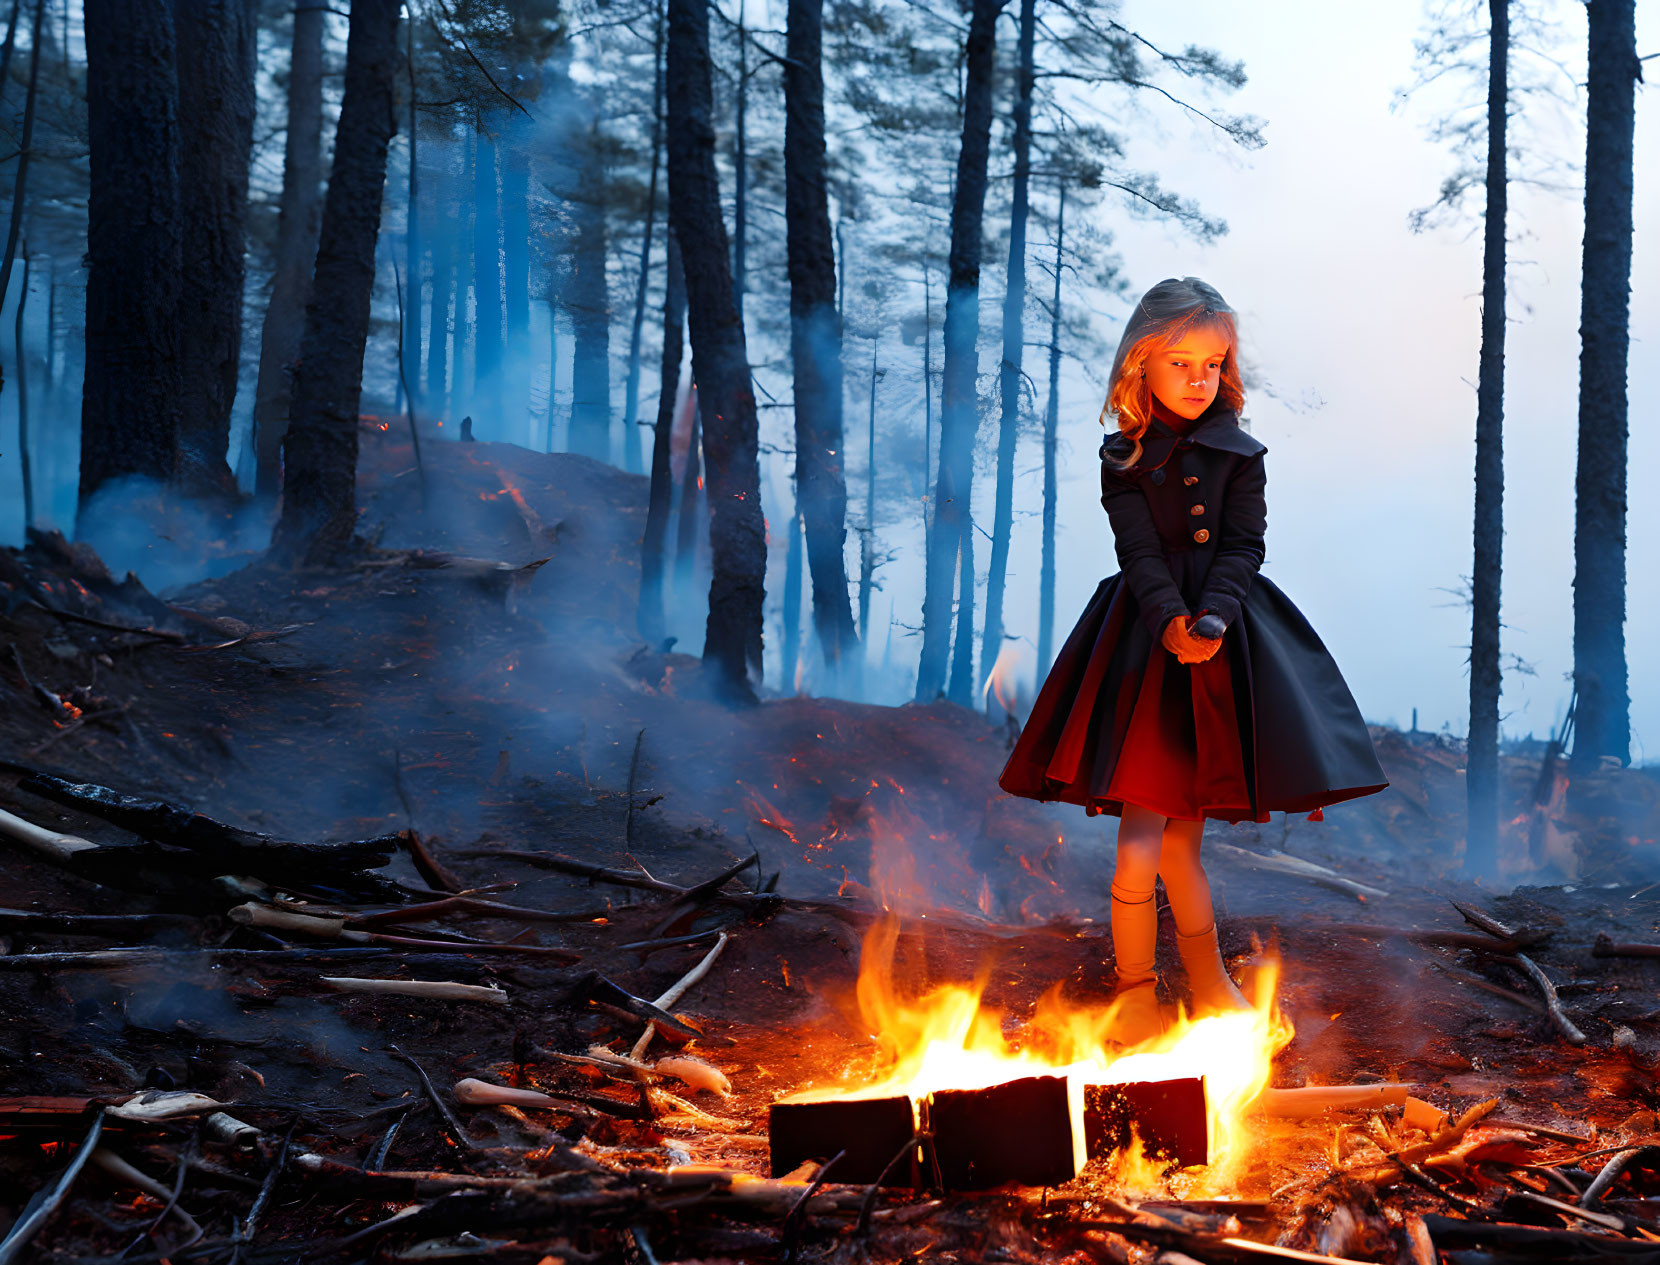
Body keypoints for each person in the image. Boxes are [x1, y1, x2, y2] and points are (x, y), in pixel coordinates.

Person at [998, 277, 1388, 1043]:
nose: (1200, 377)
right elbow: (1138, 551)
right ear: (1141, 362)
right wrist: (1171, 620)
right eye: (1182, 362)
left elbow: (1245, 544)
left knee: (1184, 836)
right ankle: (1136, 992)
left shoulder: (1243, 454)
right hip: (1144, 644)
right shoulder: (1124, 457)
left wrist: (1213, 616)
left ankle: (1207, 983)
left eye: (1214, 362)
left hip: (1226, 635)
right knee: (1145, 829)